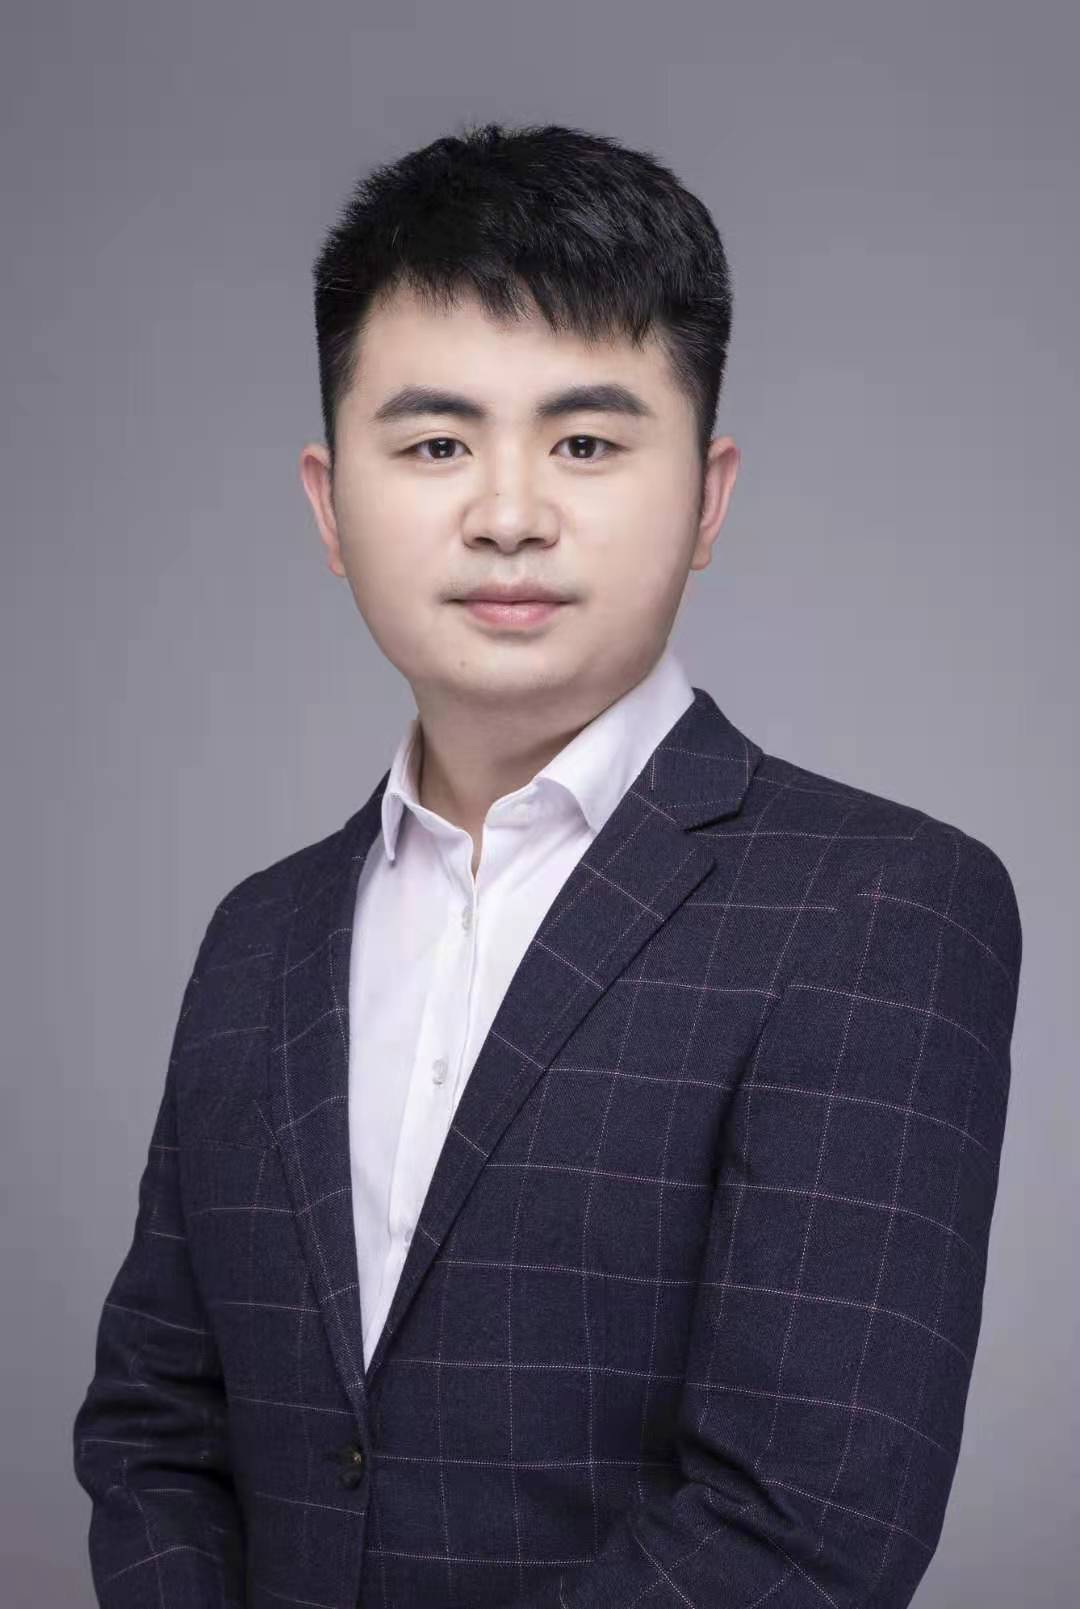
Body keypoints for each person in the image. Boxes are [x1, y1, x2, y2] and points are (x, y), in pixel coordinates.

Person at [72, 120, 1023, 1609]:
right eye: (435, 444)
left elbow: (806, 1529)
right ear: (329, 505)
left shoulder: (880, 909)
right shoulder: (259, 937)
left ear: (706, 496)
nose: (508, 515)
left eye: (586, 443)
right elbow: (155, 1431)